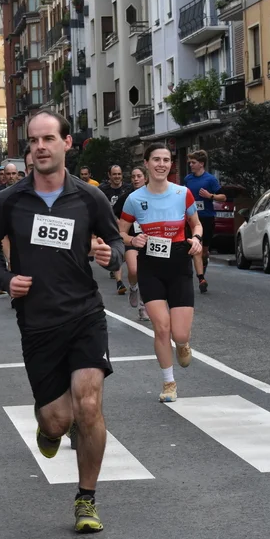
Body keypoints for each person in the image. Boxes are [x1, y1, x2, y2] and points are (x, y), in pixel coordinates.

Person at [0, 110, 124, 533]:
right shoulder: (9, 201)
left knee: (89, 404)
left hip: (85, 313)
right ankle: (48, 427)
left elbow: (115, 241)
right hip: (38, 322)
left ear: (66, 143)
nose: (40, 147)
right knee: (58, 420)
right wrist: (6, 280)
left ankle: (86, 498)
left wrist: (110, 256)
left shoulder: (89, 198)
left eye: (48, 139)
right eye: (33, 141)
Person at [119, 143, 204, 403]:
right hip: (150, 266)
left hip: (178, 263)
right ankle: (169, 383)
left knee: (179, 333)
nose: (161, 164)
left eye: (166, 160)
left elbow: (196, 224)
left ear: (171, 164)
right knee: (162, 328)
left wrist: (197, 239)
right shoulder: (134, 199)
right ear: (146, 163)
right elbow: (120, 232)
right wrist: (132, 240)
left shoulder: (183, 193)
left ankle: (183, 344)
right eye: (156, 159)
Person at [182, 150, 226, 294]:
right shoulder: (188, 179)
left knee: (204, 251)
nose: (190, 165)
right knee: (193, 247)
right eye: (190, 162)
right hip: (190, 218)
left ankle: (203, 268)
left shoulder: (210, 179)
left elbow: (223, 197)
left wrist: (210, 195)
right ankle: (199, 277)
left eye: (193, 162)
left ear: (201, 164)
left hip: (206, 218)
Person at [116, 166, 150, 321]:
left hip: (149, 240)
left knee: (147, 274)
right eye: (133, 177)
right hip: (131, 238)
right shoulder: (127, 197)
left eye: (139, 176)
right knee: (134, 269)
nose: (136, 179)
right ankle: (133, 287)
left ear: (145, 178)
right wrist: (120, 224)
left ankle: (143, 307)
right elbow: (113, 212)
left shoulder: (153, 195)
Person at [99, 165, 129, 295]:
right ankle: (119, 282)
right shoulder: (103, 190)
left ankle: (116, 262)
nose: (117, 177)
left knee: (126, 252)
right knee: (116, 247)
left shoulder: (127, 189)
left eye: (119, 174)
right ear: (109, 175)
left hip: (127, 225)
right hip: (110, 225)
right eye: (114, 174)